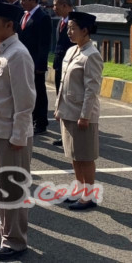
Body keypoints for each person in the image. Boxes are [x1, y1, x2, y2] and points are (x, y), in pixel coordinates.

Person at [0, 1, 36, 261]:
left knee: (13, 188)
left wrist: (19, 136)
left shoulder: (18, 55)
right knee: (0, 186)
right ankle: (4, 230)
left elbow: (25, 102)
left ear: (9, 25)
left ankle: (16, 240)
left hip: (11, 135)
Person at [54, 11, 103, 211]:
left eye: (73, 28)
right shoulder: (72, 51)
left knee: (85, 156)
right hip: (68, 111)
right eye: (69, 27)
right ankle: (79, 190)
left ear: (85, 31)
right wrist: (58, 108)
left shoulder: (92, 55)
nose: (69, 31)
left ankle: (89, 195)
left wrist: (85, 115)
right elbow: (63, 82)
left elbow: (92, 89)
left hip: (83, 114)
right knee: (74, 155)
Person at [19, 0, 52, 135]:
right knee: (27, 92)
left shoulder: (42, 17)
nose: (22, 2)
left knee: (39, 92)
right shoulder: (24, 15)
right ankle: (31, 118)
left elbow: (44, 44)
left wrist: (41, 64)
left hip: (35, 62)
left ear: (33, 0)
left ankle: (41, 122)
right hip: (23, 61)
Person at [51, 0, 74, 146]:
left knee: (68, 99)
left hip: (70, 66)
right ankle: (64, 134)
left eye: (56, 5)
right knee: (60, 99)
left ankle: (70, 134)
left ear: (65, 5)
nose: (54, 8)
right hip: (60, 64)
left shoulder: (74, 22)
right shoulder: (62, 21)